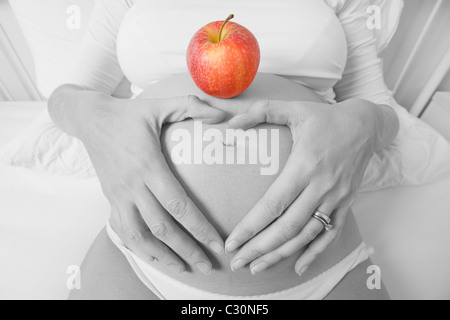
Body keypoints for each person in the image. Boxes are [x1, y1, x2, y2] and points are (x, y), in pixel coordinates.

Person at [48, 0, 399, 300]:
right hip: (143, 265)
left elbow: (382, 111)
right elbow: (67, 95)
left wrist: (364, 121)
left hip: (322, 268)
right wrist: (100, 121)